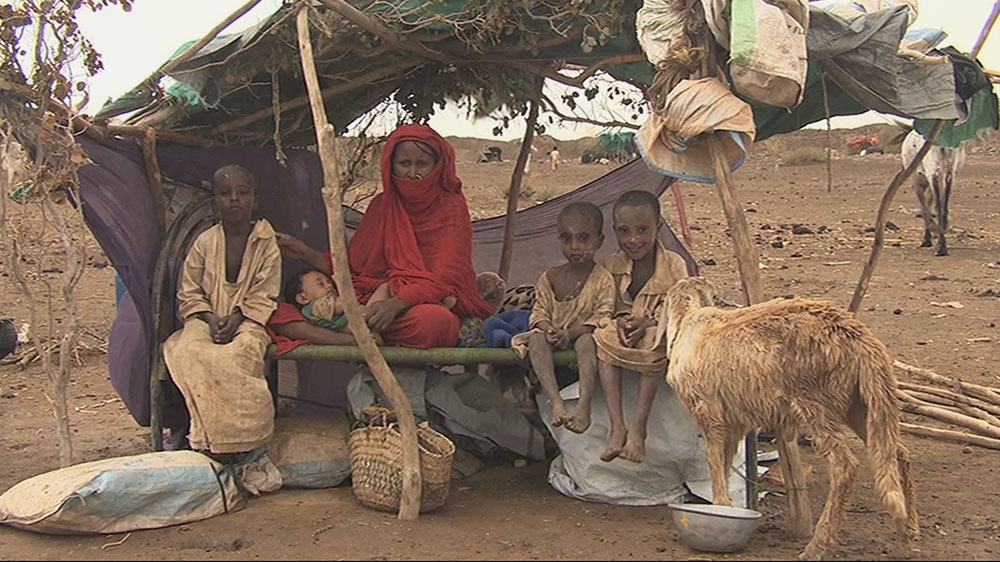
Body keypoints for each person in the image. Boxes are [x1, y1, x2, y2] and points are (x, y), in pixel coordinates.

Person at [270, 124, 494, 350]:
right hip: (372, 303)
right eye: (404, 164)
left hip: (421, 304)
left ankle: (363, 333)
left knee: (436, 321)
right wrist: (303, 252)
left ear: (437, 166)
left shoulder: (451, 207)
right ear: (391, 166)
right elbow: (353, 267)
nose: (412, 172)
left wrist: (397, 304)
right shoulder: (381, 205)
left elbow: (446, 278)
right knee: (282, 314)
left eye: (422, 164)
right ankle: (360, 333)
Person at [161, 164, 281, 460]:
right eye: (225, 194)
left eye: (242, 193)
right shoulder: (204, 242)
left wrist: (239, 317)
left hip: (249, 320)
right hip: (205, 318)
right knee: (188, 350)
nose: (234, 200)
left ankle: (242, 442)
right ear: (215, 201)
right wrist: (210, 317)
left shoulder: (267, 243)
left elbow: (265, 292)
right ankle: (204, 436)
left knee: (242, 353)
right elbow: (188, 291)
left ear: (255, 199)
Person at [593, 189, 689, 463]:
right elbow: (603, 307)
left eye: (642, 230)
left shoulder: (673, 264)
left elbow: (683, 309)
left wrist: (649, 322)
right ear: (614, 231)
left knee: (652, 342)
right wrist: (621, 321)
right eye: (624, 231)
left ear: (658, 227)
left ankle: (638, 429)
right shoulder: (611, 265)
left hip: (659, 330)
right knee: (603, 336)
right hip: (622, 332)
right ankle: (617, 426)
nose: (633, 240)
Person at [510, 202, 615, 434]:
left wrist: (571, 334)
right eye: (566, 239)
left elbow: (603, 317)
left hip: (582, 339)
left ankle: (583, 405)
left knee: (587, 342)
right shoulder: (550, 277)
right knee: (536, 340)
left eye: (583, 238)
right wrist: (549, 330)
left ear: (599, 241)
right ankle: (556, 401)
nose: (575, 246)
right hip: (552, 338)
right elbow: (539, 313)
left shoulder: (602, 279)